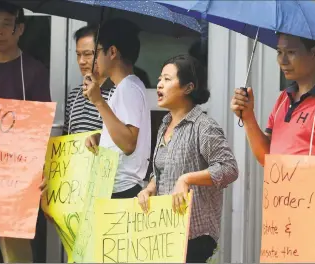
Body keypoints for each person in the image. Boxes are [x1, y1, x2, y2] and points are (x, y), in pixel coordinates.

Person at [231, 33, 315, 263]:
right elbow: (267, 158)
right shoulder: (284, 98)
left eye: (291, 52)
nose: (282, 60)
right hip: (284, 222)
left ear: (314, 53)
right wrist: (249, 117)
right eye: (279, 52)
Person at [137, 54, 239, 263]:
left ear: (188, 87)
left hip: (195, 236)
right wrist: (149, 189)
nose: (159, 85)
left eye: (167, 79)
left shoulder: (203, 126)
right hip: (165, 231)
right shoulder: (165, 125)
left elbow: (229, 168)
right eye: (159, 79)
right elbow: (163, 173)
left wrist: (187, 179)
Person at [0, 0, 51, 263]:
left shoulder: (34, 71)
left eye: (7, 24)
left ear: (20, 29)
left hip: (16, 176)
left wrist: (42, 169)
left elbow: (41, 127)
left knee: (14, 248)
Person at [83, 18, 151, 199]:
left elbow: (128, 143)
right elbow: (123, 133)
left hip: (123, 189)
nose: (94, 59)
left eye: (96, 52)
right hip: (118, 185)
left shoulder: (128, 87)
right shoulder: (126, 86)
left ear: (112, 52)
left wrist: (99, 102)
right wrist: (101, 137)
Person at [63, 25, 115, 135]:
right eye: (78, 55)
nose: (81, 61)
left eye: (87, 54)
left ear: (102, 53)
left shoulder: (117, 93)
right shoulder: (74, 96)